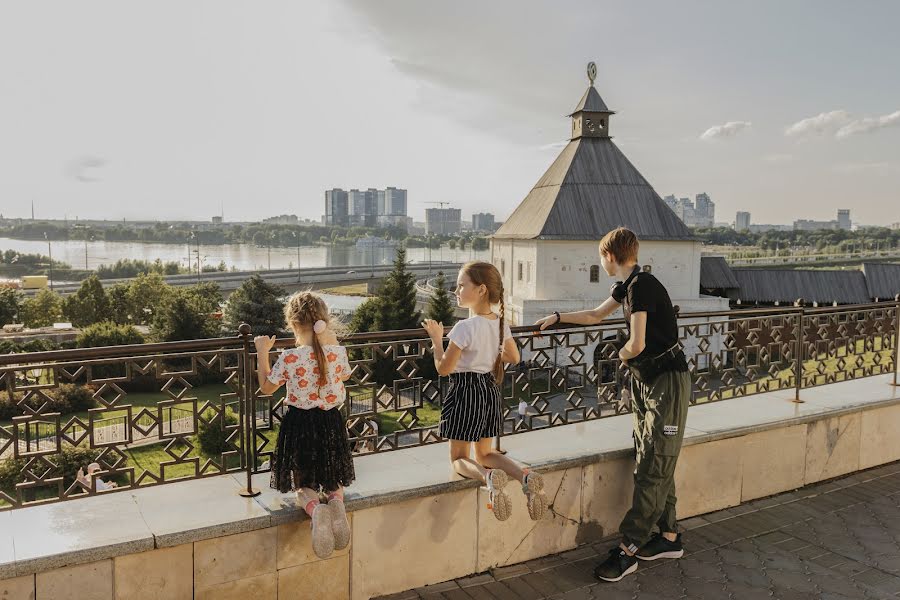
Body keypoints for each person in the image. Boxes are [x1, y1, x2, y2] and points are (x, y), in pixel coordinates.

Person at [536, 227, 690, 582]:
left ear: (609, 256)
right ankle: (668, 537)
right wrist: (559, 318)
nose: (599, 262)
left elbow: (635, 344)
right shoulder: (629, 285)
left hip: (666, 382)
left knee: (654, 461)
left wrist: (615, 359)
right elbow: (595, 315)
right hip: (649, 381)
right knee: (650, 454)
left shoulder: (641, 287)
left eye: (599, 256)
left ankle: (630, 548)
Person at [422, 261, 548, 522]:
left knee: (459, 458)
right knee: (486, 453)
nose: (456, 290)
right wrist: (490, 351)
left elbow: (444, 369)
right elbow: (513, 356)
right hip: (489, 390)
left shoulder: (464, 328)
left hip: (466, 391)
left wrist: (437, 340)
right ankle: (525, 476)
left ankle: (488, 477)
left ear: (480, 290)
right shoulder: (500, 323)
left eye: (461, 285)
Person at [255, 291, 355, 560]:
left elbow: (266, 387)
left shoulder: (290, 357)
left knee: (303, 484)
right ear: (323, 320)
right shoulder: (337, 353)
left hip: (299, 423)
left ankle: (316, 510)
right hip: (331, 421)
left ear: (293, 323)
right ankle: (335, 504)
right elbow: (345, 374)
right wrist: (329, 340)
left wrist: (262, 352)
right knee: (333, 478)